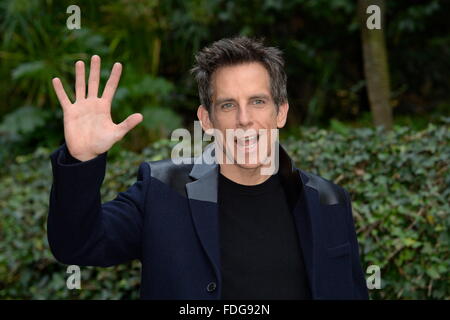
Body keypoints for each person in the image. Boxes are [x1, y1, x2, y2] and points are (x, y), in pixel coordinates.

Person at [48, 36, 369, 300]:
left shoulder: (328, 200)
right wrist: (82, 160)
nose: (244, 119)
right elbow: (78, 244)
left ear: (280, 112)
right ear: (206, 119)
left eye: (258, 101)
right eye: (228, 105)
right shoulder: (161, 191)